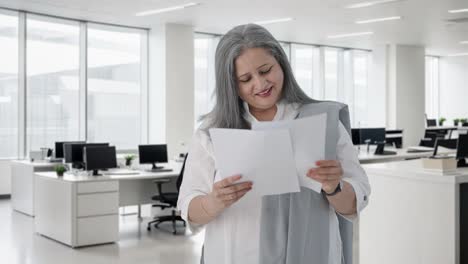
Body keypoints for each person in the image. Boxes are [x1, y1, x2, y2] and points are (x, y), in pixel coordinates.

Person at [177, 23, 371, 264]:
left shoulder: (324, 123)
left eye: (265, 70)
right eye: (245, 79)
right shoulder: (211, 134)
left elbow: (356, 200)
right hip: (236, 255)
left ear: (281, 64)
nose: (260, 84)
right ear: (231, 86)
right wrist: (213, 202)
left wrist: (334, 187)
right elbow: (188, 207)